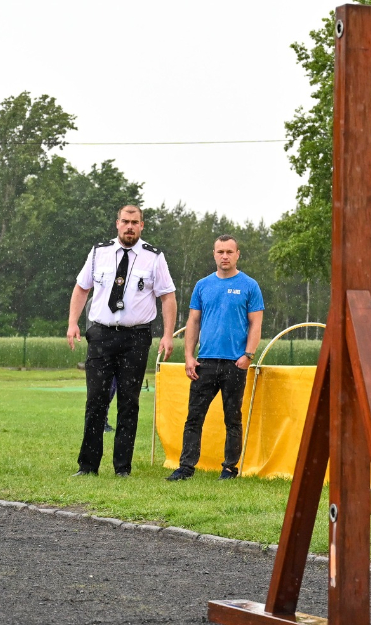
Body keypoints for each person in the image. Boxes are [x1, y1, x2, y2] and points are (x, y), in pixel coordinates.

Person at [66, 205, 175, 477]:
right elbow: (81, 288)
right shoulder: (98, 252)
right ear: (117, 224)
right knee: (96, 402)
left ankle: (122, 468)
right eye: (125, 221)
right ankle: (88, 466)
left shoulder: (154, 257)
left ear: (142, 225)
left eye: (134, 222)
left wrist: (168, 334)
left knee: (129, 402)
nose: (129, 227)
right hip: (101, 335)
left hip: (136, 337)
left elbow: (168, 297)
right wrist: (72, 323)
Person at [167, 235, 264, 482]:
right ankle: (186, 467)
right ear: (213, 254)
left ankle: (229, 469)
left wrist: (248, 356)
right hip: (205, 362)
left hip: (235, 363)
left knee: (232, 419)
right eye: (220, 251)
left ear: (237, 254)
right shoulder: (202, 285)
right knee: (194, 417)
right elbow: (193, 321)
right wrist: (189, 356)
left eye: (229, 252)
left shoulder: (249, 285)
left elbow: (256, 324)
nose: (225, 256)